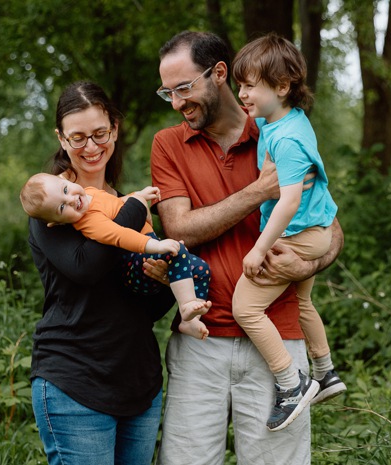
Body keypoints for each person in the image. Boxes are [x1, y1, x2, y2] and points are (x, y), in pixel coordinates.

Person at [146, 31, 344, 464]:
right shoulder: (169, 144)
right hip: (200, 342)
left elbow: (329, 225)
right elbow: (179, 228)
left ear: (218, 74)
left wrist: (306, 263)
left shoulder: (279, 128)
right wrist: (258, 191)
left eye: (184, 88)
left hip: (278, 339)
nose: (177, 102)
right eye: (169, 92)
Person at [26, 80, 176, 465]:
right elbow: (88, 267)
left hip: (138, 383)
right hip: (75, 381)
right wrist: (134, 210)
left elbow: (149, 304)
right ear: (61, 139)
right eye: (78, 138)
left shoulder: (123, 202)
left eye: (99, 134)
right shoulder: (52, 205)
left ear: (115, 129)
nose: (91, 148)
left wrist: (161, 281)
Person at [230, 33, 346, 432]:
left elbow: (289, 201)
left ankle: (291, 382)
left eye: (250, 86)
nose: (242, 94)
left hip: (303, 232)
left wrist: (258, 250)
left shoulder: (290, 139)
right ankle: (326, 371)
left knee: (244, 307)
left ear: (282, 87)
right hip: (314, 228)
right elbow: (250, 114)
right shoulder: (280, 118)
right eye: (240, 84)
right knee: (302, 301)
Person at [20, 173, 211, 339]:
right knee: (176, 250)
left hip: (146, 252)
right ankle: (186, 304)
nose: (70, 199)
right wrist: (157, 245)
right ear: (57, 223)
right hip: (136, 261)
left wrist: (138, 196)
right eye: (62, 208)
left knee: (201, 269)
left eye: (65, 190)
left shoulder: (91, 193)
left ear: (66, 180)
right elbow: (120, 235)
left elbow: (118, 205)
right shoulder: (90, 222)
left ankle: (191, 320)